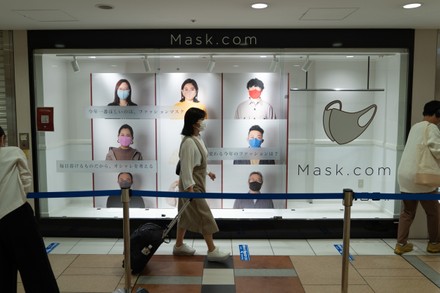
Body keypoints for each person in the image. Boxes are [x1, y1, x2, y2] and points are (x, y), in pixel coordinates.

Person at [0, 126, 60, 292]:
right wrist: (19, 195)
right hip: (17, 214)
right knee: (35, 269)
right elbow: (26, 178)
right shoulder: (13, 152)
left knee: (3, 273)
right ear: (2, 139)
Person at [173, 107, 230, 262]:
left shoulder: (197, 139)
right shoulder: (188, 142)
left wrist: (208, 172)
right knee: (205, 216)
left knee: (184, 215)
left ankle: (178, 246)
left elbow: (198, 163)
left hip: (196, 183)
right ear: (194, 123)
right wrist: (190, 189)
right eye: (201, 120)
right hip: (191, 187)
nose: (203, 123)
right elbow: (186, 168)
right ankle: (212, 250)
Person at [395, 100, 440, 255]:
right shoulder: (431, 127)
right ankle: (434, 243)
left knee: (407, 212)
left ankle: (401, 244)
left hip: (405, 175)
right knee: (434, 212)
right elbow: (437, 149)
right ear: (437, 113)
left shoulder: (415, 127)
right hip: (422, 178)